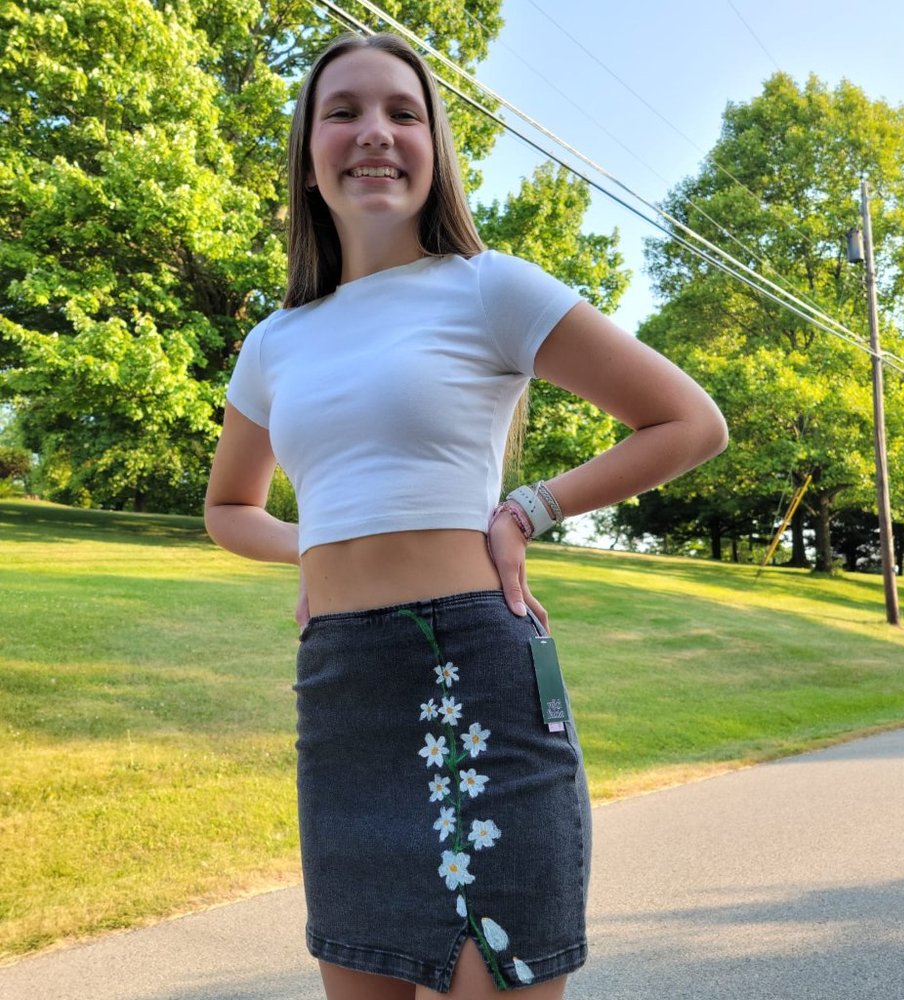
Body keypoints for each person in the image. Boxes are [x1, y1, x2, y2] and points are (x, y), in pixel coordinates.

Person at [204, 30, 727, 1000]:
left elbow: (687, 421)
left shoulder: (489, 287)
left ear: (436, 147)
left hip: (479, 677)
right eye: (344, 111)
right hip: (344, 688)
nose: (375, 134)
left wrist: (528, 508)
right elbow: (229, 507)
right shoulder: (276, 342)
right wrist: (310, 547)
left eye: (404, 113)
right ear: (309, 155)